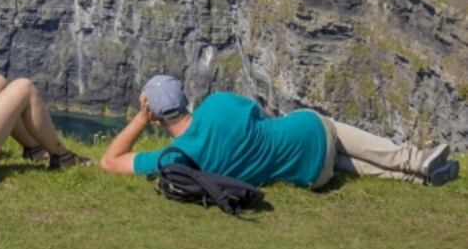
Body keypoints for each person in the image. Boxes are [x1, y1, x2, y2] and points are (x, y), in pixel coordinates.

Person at [100, 74, 459, 188]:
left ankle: (420, 179)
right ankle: (416, 160)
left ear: (156, 117)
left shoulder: (177, 158)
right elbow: (258, 114)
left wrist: (140, 119)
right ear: (186, 99)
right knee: (325, 130)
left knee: (335, 160)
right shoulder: (218, 104)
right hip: (309, 135)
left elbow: (110, 161)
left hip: (311, 176)